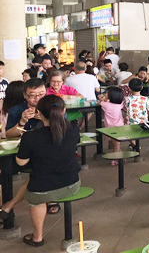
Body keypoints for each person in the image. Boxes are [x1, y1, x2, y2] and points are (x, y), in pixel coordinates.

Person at [0, 95, 81, 247]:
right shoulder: (73, 130)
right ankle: (8, 206)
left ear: (39, 113)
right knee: (35, 179)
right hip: (72, 183)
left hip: (42, 189)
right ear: (63, 111)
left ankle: (37, 237)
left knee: (36, 192)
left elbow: (20, 161)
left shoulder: (31, 137)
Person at [99, 87, 125, 162]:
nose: (105, 94)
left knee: (115, 144)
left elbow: (100, 101)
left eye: (106, 93)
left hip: (110, 127)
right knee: (117, 143)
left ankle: (115, 159)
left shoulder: (106, 105)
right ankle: (120, 156)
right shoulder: (119, 104)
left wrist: (101, 97)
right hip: (119, 126)